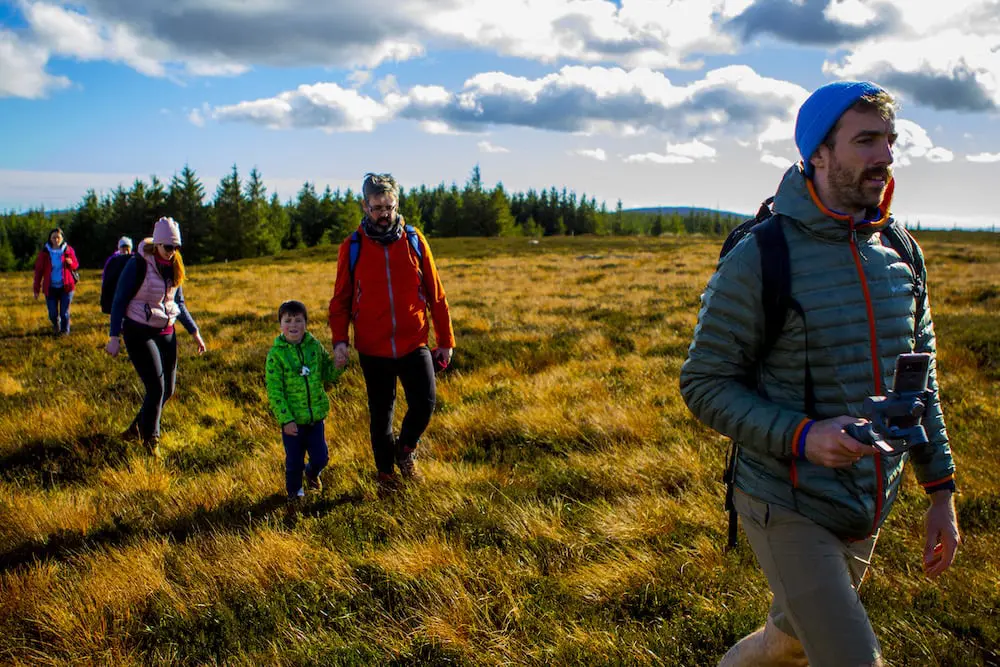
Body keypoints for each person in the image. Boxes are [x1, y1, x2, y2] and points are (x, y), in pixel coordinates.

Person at [679, 81, 960, 667]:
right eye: (866, 141)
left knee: (790, 640)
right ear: (819, 155)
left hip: (868, 502)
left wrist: (941, 493)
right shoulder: (762, 254)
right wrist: (806, 437)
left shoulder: (902, 252)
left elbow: (921, 381)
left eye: (890, 140)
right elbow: (704, 384)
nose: (884, 155)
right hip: (787, 500)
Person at [328, 172, 455, 489]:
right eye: (376, 207)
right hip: (373, 347)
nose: (383, 214)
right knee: (381, 415)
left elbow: (436, 294)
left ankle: (405, 450)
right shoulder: (352, 247)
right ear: (364, 205)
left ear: (397, 204)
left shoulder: (414, 240)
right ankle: (385, 476)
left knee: (425, 403)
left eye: (389, 206)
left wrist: (446, 341)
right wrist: (340, 342)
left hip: (415, 342)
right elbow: (340, 299)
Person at [105, 217, 206, 457]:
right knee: (156, 388)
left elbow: (178, 303)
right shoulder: (138, 265)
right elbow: (119, 300)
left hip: (166, 330)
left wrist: (195, 332)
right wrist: (113, 337)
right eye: (168, 247)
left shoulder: (175, 266)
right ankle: (152, 442)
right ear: (158, 244)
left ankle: (134, 431)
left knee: (168, 390)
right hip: (138, 330)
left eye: (176, 247)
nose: (172, 252)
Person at [265, 300, 343, 514]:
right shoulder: (276, 355)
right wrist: (286, 420)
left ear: (306, 323)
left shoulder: (313, 346)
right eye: (288, 320)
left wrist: (337, 365)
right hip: (293, 423)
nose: (293, 325)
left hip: (315, 418)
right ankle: (295, 495)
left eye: (298, 320)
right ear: (280, 325)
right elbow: (275, 392)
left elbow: (326, 373)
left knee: (321, 457)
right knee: (294, 462)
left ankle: (312, 473)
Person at [32, 227, 79, 336]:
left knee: (64, 312)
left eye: (58, 237)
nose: (56, 239)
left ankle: (64, 332)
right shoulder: (45, 252)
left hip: (66, 286)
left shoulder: (68, 250)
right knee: (53, 313)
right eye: (54, 237)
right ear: (50, 239)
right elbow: (38, 272)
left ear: (62, 238)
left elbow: (76, 265)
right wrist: (36, 289)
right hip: (50, 287)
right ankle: (56, 325)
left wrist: (71, 263)